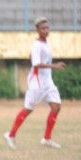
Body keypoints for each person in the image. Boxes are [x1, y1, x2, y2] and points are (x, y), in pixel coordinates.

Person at [5, 16, 66, 150]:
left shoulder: (45, 43)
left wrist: (32, 56)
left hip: (48, 82)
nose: (46, 30)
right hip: (37, 83)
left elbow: (34, 57)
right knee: (28, 109)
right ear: (37, 30)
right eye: (43, 28)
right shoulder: (37, 45)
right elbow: (37, 64)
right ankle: (10, 135)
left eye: (47, 27)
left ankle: (47, 139)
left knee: (56, 107)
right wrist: (54, 66)